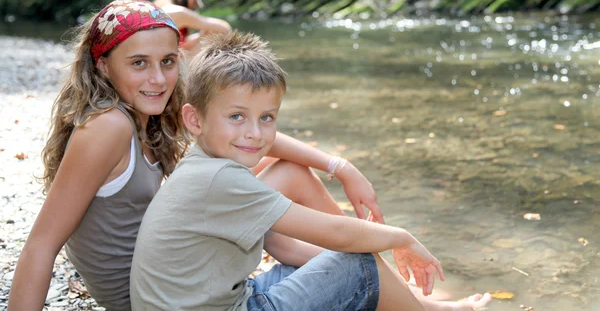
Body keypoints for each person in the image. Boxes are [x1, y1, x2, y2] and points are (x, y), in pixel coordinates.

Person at [7, 0, 387, 311]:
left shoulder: (149, 110)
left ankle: (391, 284)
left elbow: (248, 131)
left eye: (168, 61)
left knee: (291, 173)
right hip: (160, 298)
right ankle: (391, 283)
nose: (159, 78)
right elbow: (42, 243)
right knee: (350, 251)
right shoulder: (109, 126)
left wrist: (339, 166)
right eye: (139, 63)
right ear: (103, 66)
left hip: (183, 274)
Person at [130, 31, 492, 311]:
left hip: (221, 298)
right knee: (358, 264)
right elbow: (338, 233)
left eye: (267, 117)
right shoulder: (219, 180)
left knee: (327, 250)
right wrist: (402, 238)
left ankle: (417, 303)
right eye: (236, 116)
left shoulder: (205, 164)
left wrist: (341, 169)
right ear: (194, 119)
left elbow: (292, 237)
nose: (255, 133)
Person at [154, 0, 232, 55]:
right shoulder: (179, 12)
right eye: (194, 1)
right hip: (165, 64)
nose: (192, 6)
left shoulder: (160, 9)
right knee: (214, 33)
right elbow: (225, 28)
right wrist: (207, 32)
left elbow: (181, 45)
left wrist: (201, 36)